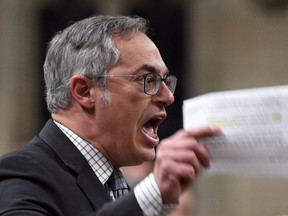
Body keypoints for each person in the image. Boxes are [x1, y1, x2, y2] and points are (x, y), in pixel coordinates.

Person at [0, 15, 220, 216]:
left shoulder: (113, 183)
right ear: (84, 91)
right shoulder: (18, 174)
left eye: (165, 81)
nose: (168, 97)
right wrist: (153, 194)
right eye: (147, 80)